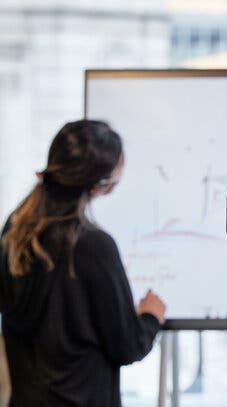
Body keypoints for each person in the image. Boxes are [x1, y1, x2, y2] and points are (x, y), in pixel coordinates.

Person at [0, 120, 166, 407]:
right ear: (100, 185)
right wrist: (151, 316)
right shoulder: (94, 246)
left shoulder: (15, 230)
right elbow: (127, 346)